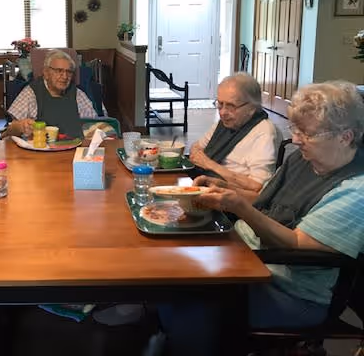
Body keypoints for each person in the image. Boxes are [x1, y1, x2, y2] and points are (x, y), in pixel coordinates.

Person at [154, 81, 364, 356]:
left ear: (345, 137)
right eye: (295, 129)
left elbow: (295, 243)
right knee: (170, 273)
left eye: (308, 133)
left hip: (288, 290)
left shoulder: (355, 190)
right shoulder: (303, 160)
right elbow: (266, 200)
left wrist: (240, 207)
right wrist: (224, 190)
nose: (297, 139)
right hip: (247, 258)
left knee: (190, 302)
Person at [188, 72, 281, 193]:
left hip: (231, 198)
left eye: (231, 106)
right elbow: (196, 148)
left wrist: (209, 164)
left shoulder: (264, 133)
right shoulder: (226, 123)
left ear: (252, 108)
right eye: (220, 104)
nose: (223, 113)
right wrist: (202, 159)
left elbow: (258, 186)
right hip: (206, 185)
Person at [2, 50, 98, 139]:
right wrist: (19, 127)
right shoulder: (31, 93)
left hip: (75, 150)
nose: (65, 76)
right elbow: (6, 135)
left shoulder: (78, 94)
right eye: (59, 71)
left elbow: (95, 125)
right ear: (46, 72)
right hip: (42, 153)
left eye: (69, 72)